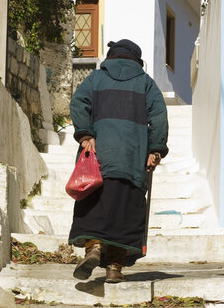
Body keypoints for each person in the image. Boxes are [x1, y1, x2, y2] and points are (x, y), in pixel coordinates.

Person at [68, 39, 168, 283]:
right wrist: (155, 149)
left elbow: (78, 102)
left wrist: (86, 134)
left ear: (111, 56)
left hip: (99, 156)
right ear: (137, 59)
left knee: (94, 205)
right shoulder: (146, 83)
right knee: (125, 210)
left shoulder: (95, 79)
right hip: (132, 159)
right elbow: (159, 116)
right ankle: (114, 267)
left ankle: (93, 247)